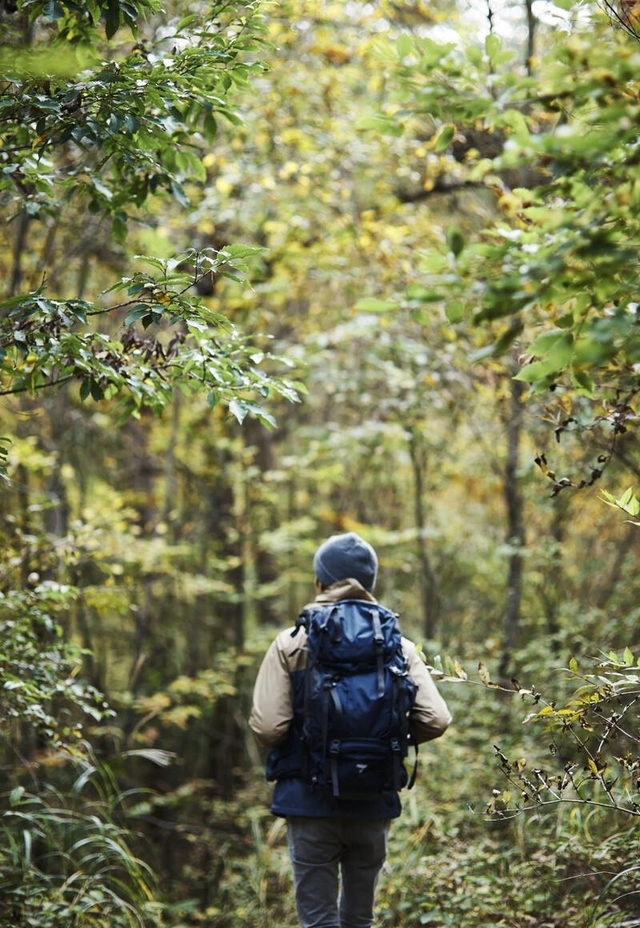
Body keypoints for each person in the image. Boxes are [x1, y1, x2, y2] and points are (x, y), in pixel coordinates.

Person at [249, 531, 452, 928]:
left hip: (309, 803)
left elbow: (270, 727)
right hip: (372, 801)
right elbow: (436, 719)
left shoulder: (291, 643)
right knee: (359, 920)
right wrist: (382, 740)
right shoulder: (398, 645)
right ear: (370, 584)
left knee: (319, 922)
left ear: (320, 582)